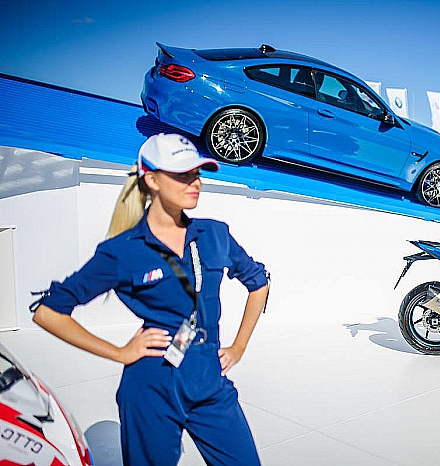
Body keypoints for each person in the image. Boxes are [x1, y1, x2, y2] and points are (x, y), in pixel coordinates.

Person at [31, 134, 270, 465]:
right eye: (182, 174)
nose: (195, 182)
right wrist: (119, 352)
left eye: (197, 173)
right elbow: (48, 312)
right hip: (152, 384)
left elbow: (258, 283)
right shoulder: (122, 251)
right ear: (152, 179)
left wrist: (239, 346)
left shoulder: (215, 234)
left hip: (209, 378)